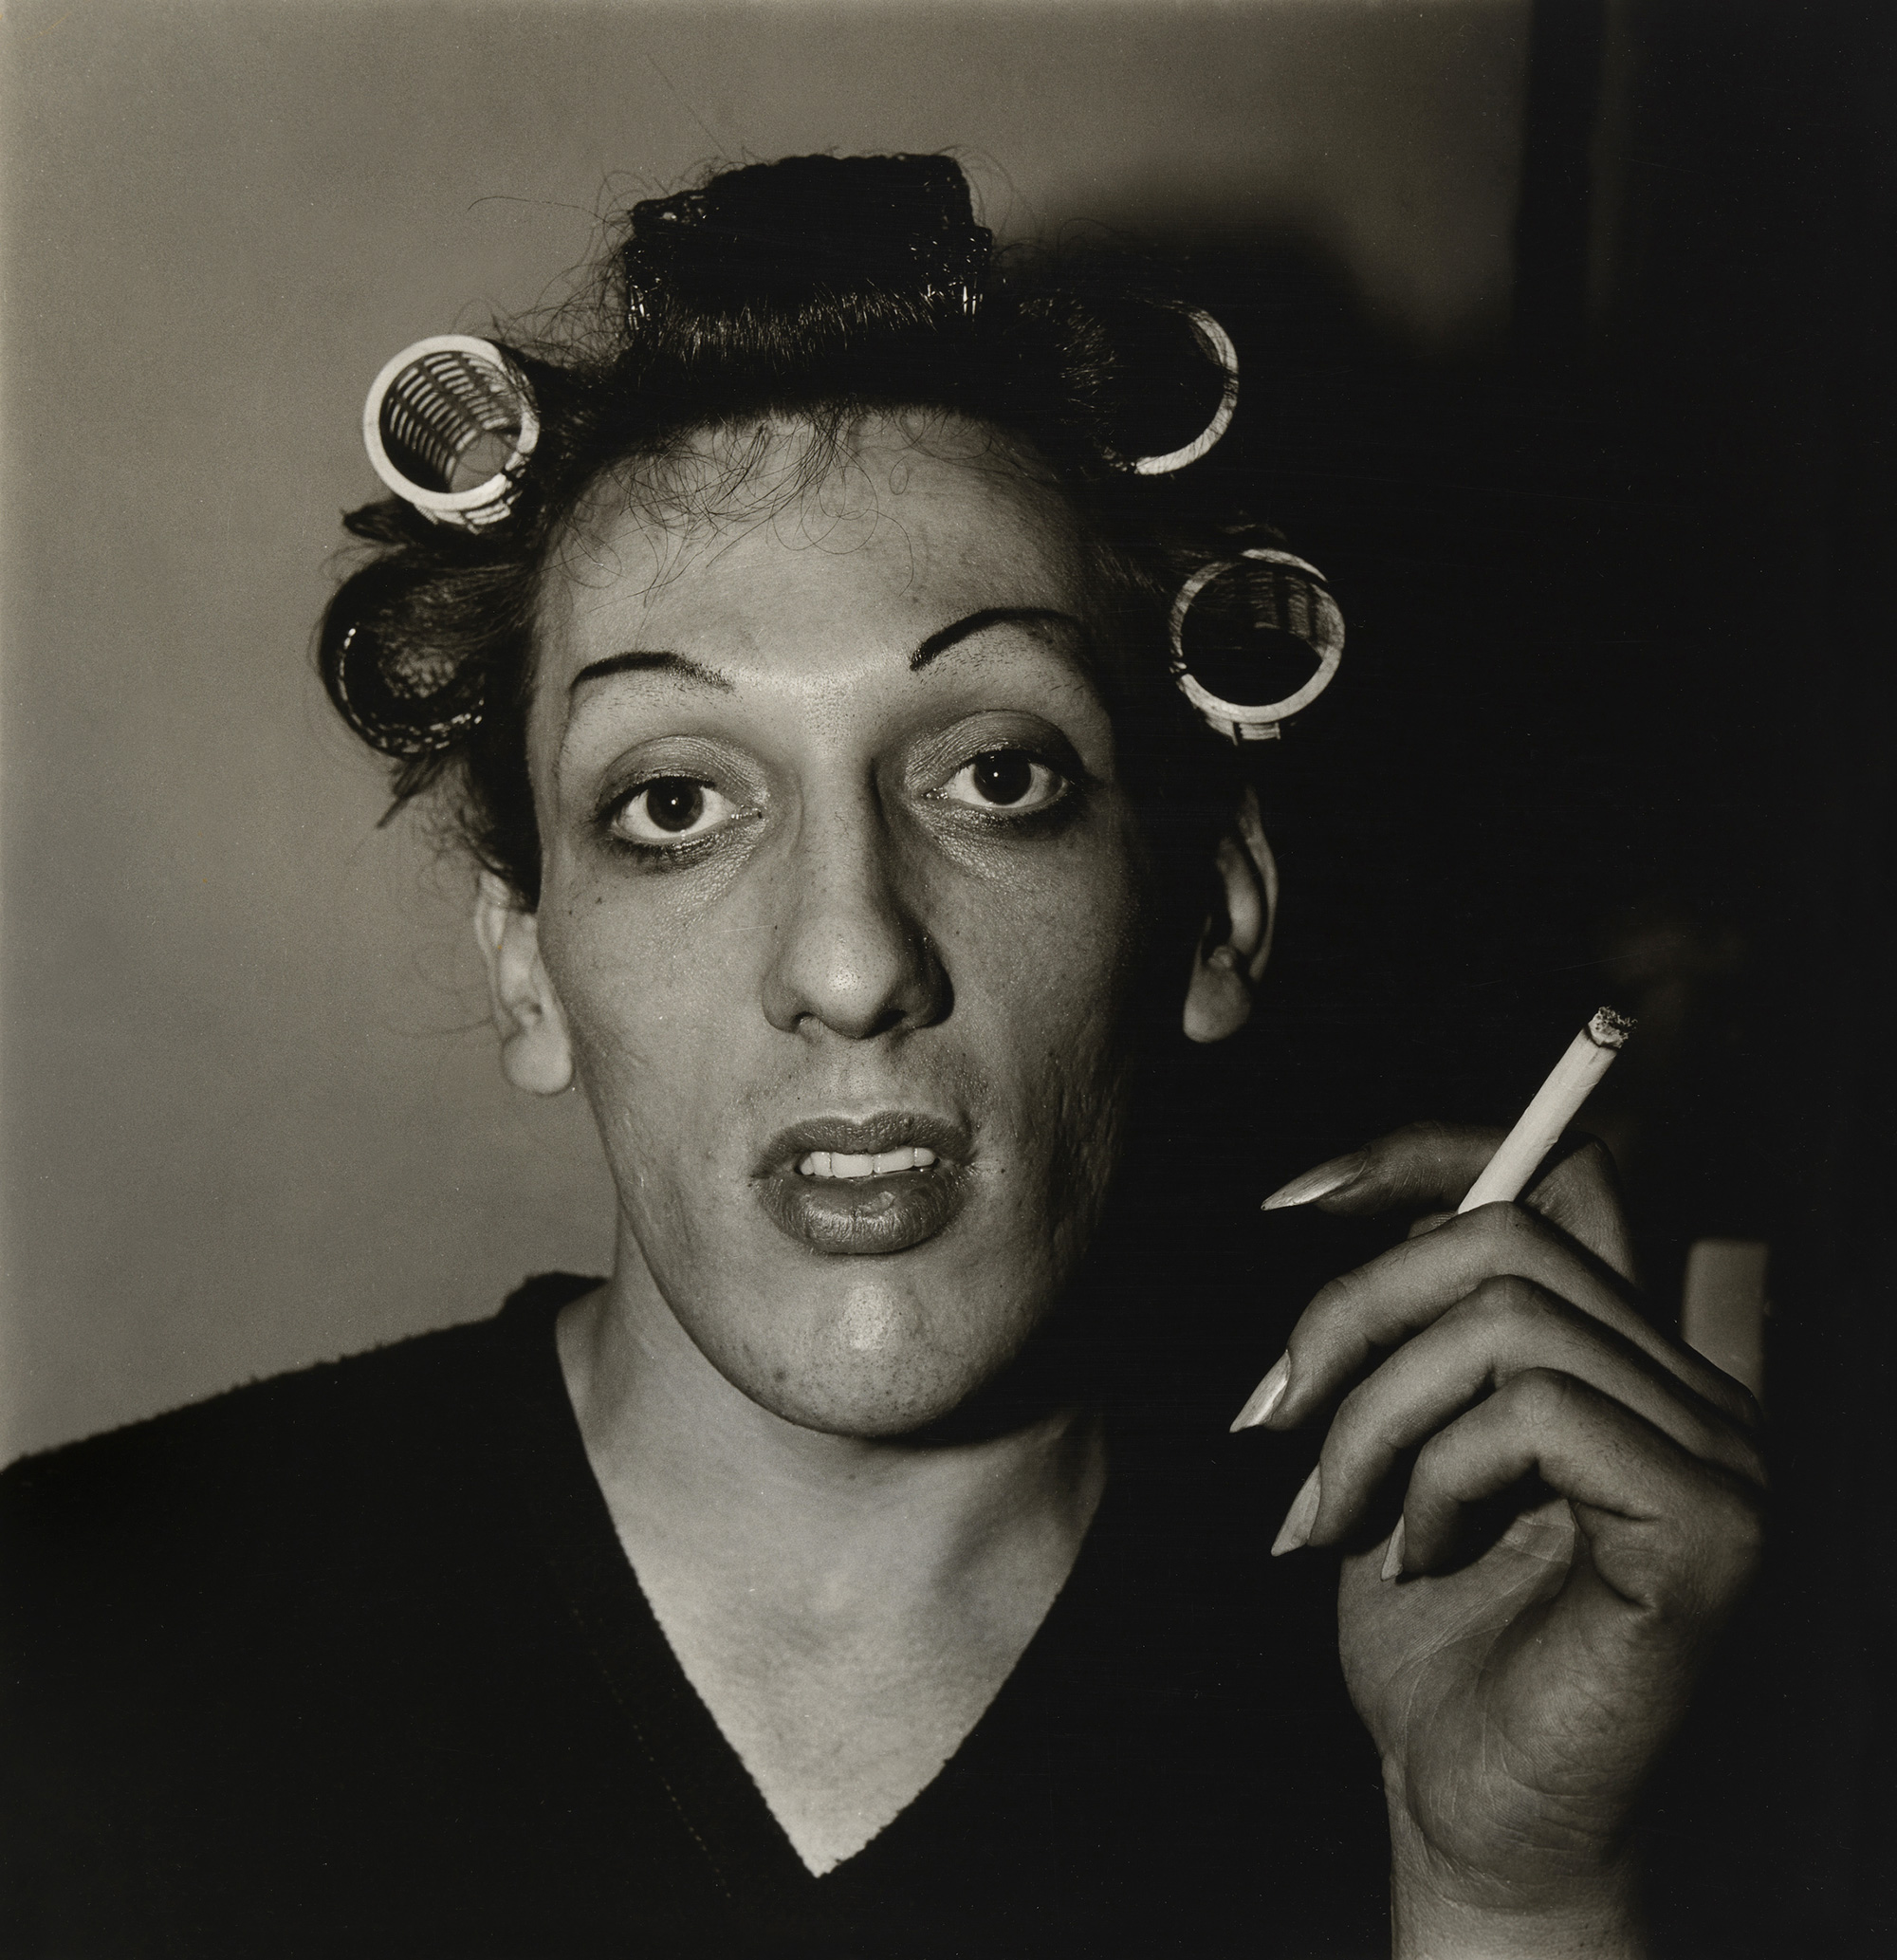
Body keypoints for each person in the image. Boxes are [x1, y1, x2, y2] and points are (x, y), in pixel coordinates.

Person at [1, 155, 1762, 1957]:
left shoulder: (1498, 1671)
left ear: (1212, 910)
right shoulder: (60, 1651)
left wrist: (1514, 1887)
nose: (852, 960)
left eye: (998, 775)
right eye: (674, 801)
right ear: (526, 959)